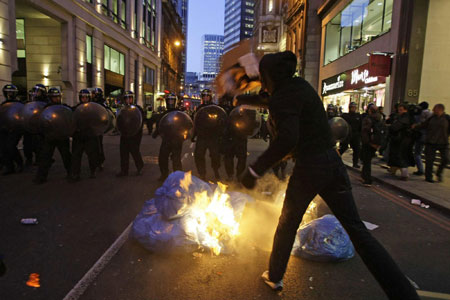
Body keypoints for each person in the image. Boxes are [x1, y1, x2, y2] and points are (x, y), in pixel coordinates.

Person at [237, 51, 419, 299]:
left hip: (310, 166)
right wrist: (241, 98)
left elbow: (288, 137)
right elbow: (270, 99)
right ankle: (403, 292)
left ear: (270, 75)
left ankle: (275, 276)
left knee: (288, 222)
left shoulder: (283, 98)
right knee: (357, 230)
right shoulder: (299, 86)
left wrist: (255, 169)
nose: (262, 79)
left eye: (263, 75)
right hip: (332, 163)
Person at [33, 88, 72, 184]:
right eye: (54, 97)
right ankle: (41, 176)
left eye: (57, 97)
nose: (56, 99)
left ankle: (72, 173)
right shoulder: (45, 109)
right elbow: (41, 122)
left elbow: (69, 119)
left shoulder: (64, 108)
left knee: (66, 156)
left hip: (62, 136)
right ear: (50, 98)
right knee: (45, 156)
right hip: (49, 136)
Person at [152, 94, 186, 181]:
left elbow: (185, 125)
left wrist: (184, 135)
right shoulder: (164, 113)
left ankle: (178, 177)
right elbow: (160, 125)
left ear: (175, 102)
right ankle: (164, 175)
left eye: (172, 100)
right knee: (162, 157)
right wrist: (155, 133)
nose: (170, 102)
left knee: (176, 159)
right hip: (166, 139)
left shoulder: (179, 113)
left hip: (177, 140)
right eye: (169, 100)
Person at [413, 104, 449, 183]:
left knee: (446, 159)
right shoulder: (432, 118)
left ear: (440, 110)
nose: (433, 110)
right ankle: (428, 177)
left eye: (434, 109)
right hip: (430, 142)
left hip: (443, 142)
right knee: (429, 160)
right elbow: (423, 125)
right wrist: (416, 126)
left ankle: (439, 172)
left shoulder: (447, 118)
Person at [192, 89, 222, 181]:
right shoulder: (199, 108)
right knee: (199, 155)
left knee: (215, 155)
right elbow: (195, 122)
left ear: (210, 97)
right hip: (202, 136)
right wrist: (193, 135)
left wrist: (220, 133)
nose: (205, 98)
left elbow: (220, 121)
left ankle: (216, 171)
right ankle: (202, 173)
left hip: (213, 136)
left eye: (207, 96)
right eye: (204, 96)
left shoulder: (215, 107)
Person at [69, 89, 100, 181]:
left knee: (92, 155)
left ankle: (93, 170)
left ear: (89, 98)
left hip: (90, 136)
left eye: (86, 97)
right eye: (82, 97)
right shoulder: (76, 108)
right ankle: (75, 173)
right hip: (78, 135)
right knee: (76, 155)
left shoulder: (93, 109)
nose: (84, 99)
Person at [116, 91, 144, 177]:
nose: (128, 100)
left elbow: (141, 121)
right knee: (123, 152)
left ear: (133, 99)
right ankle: (124, 170)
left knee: (134, 151)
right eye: (126, 98)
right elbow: (119, 120)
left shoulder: (138, 109)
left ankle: (140, 167)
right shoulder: (122, 109)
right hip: (124, 133)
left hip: (135, 134)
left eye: (130, 98)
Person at [0, 84, 24, 175]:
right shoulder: (3, 105)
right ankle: (9, 166)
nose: (9, 94)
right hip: (4, 128)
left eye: (11, 92)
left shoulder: (19, 105)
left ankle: (19, 163)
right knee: (3, 148)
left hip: (15, 129)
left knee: (11, 146)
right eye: (7, 92)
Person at [387, 103, 415, 180]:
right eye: (399, 109)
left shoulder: (405, 117)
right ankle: (393, 170)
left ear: (405, 110)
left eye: (401, 110)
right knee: (397, 155)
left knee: (401, 156)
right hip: (400, 139)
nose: (399, 111)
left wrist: (390, 127)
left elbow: (395, 127)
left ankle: (404, 174)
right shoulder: (401, 116)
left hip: (402, 140)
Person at [360, 105, 385, 186]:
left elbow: (365, 131)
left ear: (369, 111)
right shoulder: (380, 118)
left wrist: (365, 142)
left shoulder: (368, 119)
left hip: (368, 143)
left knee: (366, 161)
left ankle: (367, 179)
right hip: (376, 143)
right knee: (367, 160)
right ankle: (364, 176)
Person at [339, 102, 362, 168]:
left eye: (354, 107)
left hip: (355, 134)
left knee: (357, 149)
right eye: (352, 107)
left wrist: (359, 135)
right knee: (344, 147)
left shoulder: (358, 116)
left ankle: (355, 163)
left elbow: (360, 126)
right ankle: (336, 158)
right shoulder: (345, 116)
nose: (353, 109)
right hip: (347, 134)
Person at [412, 102, 432, 176]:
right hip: (429, 137)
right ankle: (428, 170)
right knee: (428, 155)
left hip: (421, 136)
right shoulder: (431, 114)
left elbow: (419, 123)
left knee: (417, 153)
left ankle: (420, 169)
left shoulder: (421, 114)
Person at [92, 87, 106, 170]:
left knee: (99, 145)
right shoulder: (92, 102)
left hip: (99, 127)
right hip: (92, 126)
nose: (93, 95)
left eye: (94, 94)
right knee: (92, 146)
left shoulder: (102, 103)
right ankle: (94, 162)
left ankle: (100, 161)